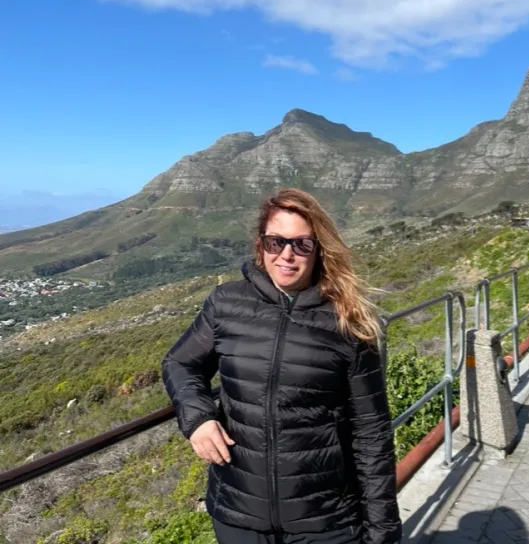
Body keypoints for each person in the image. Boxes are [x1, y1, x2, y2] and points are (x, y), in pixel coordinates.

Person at [162, 188, 402, 544]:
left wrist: (383, 531)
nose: (287, 255)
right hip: (239, 515)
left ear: (319, 249)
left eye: (301, 244)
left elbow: (372, 436)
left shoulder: (348, 322)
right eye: (276, 242)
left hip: (325, 521)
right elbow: (180, 362)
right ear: (261, 245)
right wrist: (198, 417)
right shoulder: (227, 302)